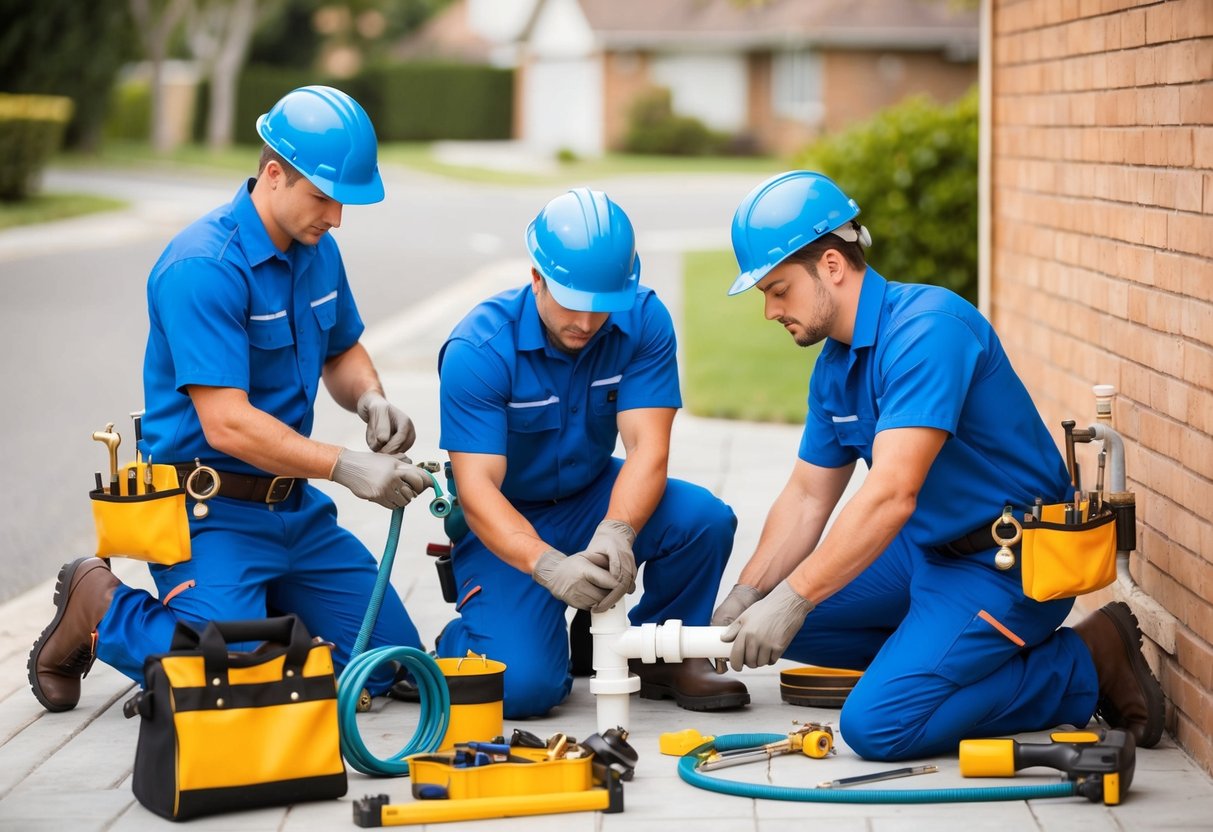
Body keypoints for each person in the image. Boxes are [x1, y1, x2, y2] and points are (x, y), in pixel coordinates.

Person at [712, 170, 1166, 761]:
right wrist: (751, 591)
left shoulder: (926, 329)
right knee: (775, 625)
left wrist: (794, 594)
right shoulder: (836, 366)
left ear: (830, 265)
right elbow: (806, 495)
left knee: (877, 727)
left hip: (1006, 562)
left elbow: (892, 493)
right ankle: (930, 664)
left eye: (777, 290)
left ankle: (1086, 659)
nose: (770, 311)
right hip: (923, 552)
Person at [28, 85, 429, 712]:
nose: (338, 218)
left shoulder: (317, 250)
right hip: (210, 514)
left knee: (388, 667)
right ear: (274, 175)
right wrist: (348, 466)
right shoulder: (203, 266)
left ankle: (237, 630)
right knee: (237, 683)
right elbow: (228, 425)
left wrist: (372, 399)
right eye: (324, 198)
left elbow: (342, 349)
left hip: (293, 507)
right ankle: (98, 601)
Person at [435, 187, 749, 718]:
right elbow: (477, 488)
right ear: (537, 279)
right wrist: (546, 565)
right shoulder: (479, 350)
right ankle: (463, 640)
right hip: (507, 518)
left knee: (704, 520)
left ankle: (657, 655)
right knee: (526, 689)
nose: (585, 323)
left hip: (593, 495)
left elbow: (648, 447)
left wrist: (619, 528)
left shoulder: (644, 320)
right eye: (572, 304)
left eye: (601, 308)